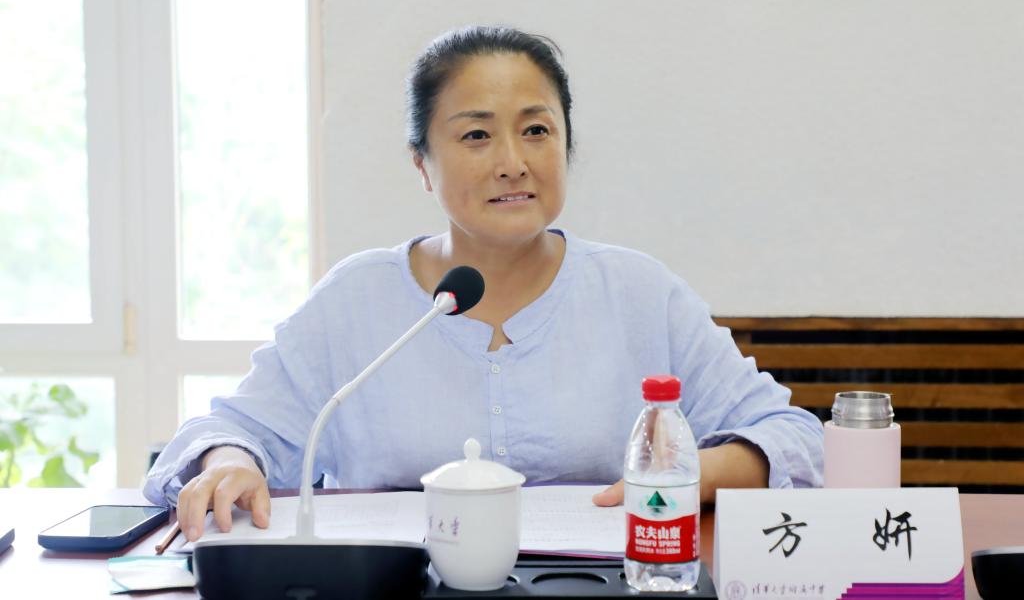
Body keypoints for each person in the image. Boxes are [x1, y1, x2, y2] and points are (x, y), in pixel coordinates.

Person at [145, 26, 824, 543]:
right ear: (422, 162)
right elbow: (233, 429)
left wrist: (685, 476)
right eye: (476, 136)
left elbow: (791, 434)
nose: (512, 162)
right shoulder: (357, 300)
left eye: (536, 130)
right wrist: (230, 461)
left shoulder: (639, 293)